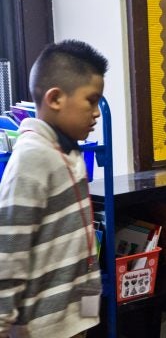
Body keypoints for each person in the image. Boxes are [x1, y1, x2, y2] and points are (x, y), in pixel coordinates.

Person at [0, 40, 108, 338]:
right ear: (56, 98)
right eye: (91, 100)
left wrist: (88, 313)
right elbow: (10, 249)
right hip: (42, 329)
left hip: (75, 319)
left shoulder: (68, 150)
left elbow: (83, 245)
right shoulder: (32, 158)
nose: (97, 113)